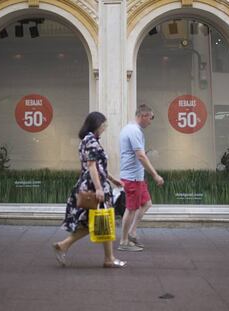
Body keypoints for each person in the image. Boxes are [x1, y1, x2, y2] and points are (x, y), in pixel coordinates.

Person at [52, 111, 126, 268]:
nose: (104, 129)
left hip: (91, 184)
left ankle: (65, 246)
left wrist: (112, 179)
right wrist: (99, 189)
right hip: (94, 186)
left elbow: (96, 166)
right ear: (97, 125)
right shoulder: (91, 141)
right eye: (103, 125)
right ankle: (109, 258)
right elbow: (92, 166)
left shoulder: (87, 140)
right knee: (104, 220)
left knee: (96, 222)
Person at [118, 104, 164, 251]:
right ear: (143, 116)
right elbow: (141, 156)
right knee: (131, 209)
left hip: (136, 177)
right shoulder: (134, 131)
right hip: (132, 178)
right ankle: (124, 242)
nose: (150, 122)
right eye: (150, 118)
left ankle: (131, 232)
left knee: (147, 203)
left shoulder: (131, 129)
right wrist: (155, 175)